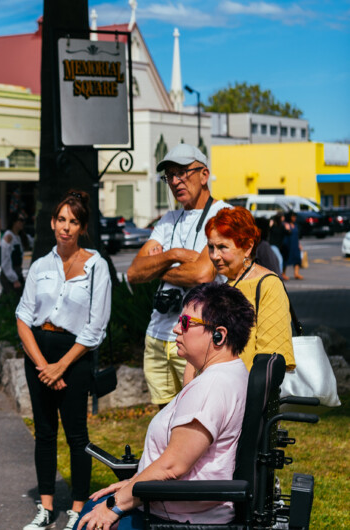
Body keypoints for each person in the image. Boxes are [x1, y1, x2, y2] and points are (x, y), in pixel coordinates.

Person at [76, 282, 255, 530]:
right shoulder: (228, 373)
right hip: (174, 507)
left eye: (185, 323)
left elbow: (172, 466)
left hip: (176, 519)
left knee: (89, 522)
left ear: (219, 335)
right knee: (90, 509)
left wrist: (114, 506)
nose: (175, 329)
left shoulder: (211, 387)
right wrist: (133, 484)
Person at [16, 190, 112, 530]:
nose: (65, 227)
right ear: (53, 222)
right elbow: (23, 317)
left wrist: (61, 366)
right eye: (61, 220)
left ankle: (77, 509)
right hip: (39, 355)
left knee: (76, 436)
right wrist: (44, 365)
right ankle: (44, 509)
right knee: (44, 433)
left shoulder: (97, 266)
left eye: (73, 221)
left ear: (82, 227)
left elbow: (96, 326)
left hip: (75, 356)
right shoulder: (41, 264)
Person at [126, 144, 228, 407]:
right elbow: (135, 273)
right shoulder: (168, 219)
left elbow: (203, 274)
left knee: (197, 418)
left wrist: (157, 267)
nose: (175, 181)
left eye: (182, 172)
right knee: (164, 421)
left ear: (204, 175)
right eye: (169, 175)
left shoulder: (222, 215)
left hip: (198, 336)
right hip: (157, 334)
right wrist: (174, 255)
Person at [205, 207, 295, 372]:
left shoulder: (268, 285)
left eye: (222, 247)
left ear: (247, 247)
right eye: (211, 247)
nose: (214, 255)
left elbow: (270, 362)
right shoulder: (226, 285)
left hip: (247, 393)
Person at [0, 213, 27, 300]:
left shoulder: (18, 236)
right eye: (21, 220)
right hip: (10, 274)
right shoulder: (8, 236)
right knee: (14, 300)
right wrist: (14, 279)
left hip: (17, 272)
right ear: (14, 222)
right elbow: (5, 259)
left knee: (7, 301)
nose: (23, 223)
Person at [282, 212, 303, 280]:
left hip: (295, 244)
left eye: (295, 217)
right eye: (293, 217)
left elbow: (297, 236)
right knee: (286, 259)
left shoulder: (295, 225)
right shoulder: (286, 224)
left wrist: (299, 244)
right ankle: (283, 273)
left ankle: (296, 274)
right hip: (288, 244)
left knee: (297, 258)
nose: (294, 218)